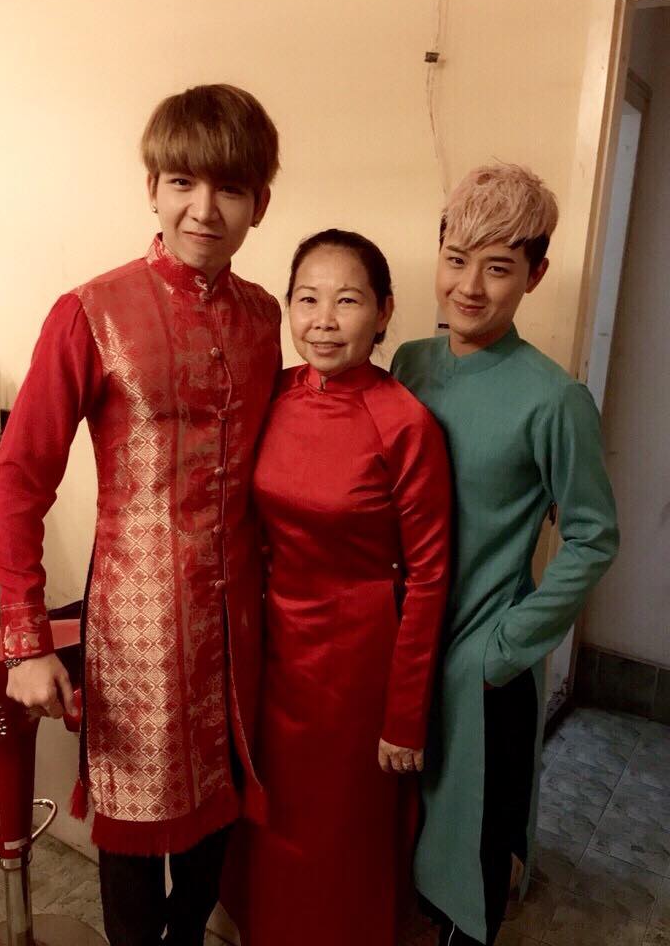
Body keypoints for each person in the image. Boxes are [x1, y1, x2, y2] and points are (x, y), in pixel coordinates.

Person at [0, 84, 281, 946]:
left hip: (239, 630)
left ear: (260, 202)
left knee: (219, 812)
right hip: (135, 631)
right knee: (131, 829)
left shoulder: (266, 317)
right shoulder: (91, 311)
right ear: (152, 187)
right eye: (183, 182)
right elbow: (19, 480)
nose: (204, 209)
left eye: (230, 188)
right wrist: (26, 640)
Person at [391, 163, 619, 945]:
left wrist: (507, 646)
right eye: (456, 260)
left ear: (535, 275)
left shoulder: (554, 399)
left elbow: (593, 535)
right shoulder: (409, 365)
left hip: (482, 665)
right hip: (401, 651)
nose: (469, 287)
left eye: (497, 268)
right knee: (403, 841)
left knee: (471, 861)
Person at [224, 229, 452, 946]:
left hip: (357, 662)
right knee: (269, 821)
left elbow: (430, 574)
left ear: (384, 313)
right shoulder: (273, 393)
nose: (323, 321)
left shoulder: (404, 422)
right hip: (271, 648)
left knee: (340, 832)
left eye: (347, 301)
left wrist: (405, 715)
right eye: (307, 299)